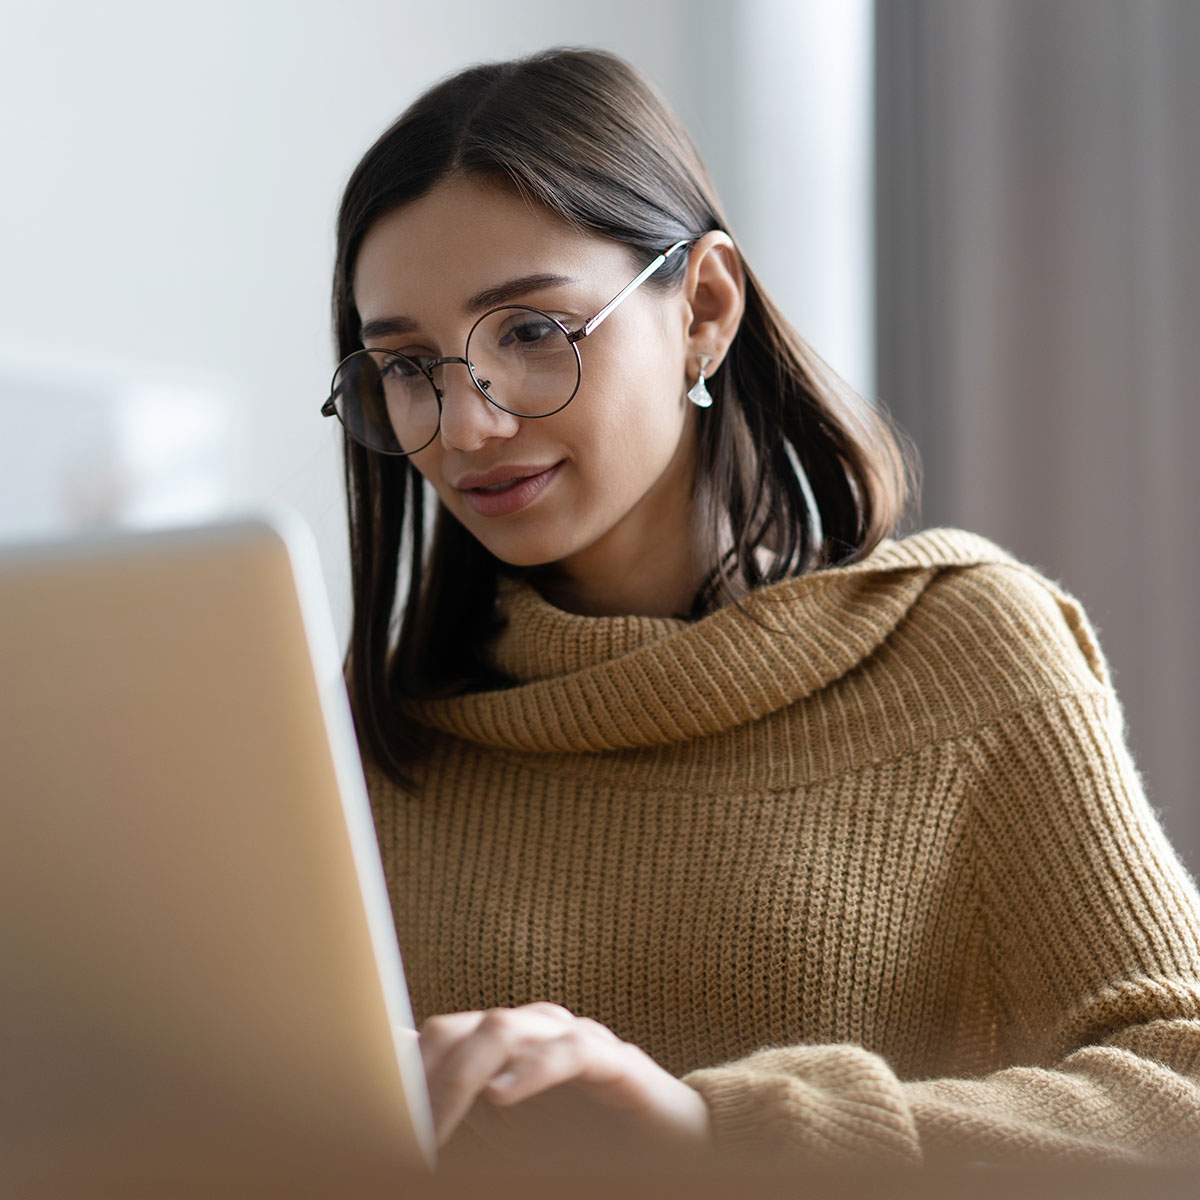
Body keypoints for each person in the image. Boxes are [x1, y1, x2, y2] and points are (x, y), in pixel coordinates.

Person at [322, 47, 1200, 1168]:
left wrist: (714, 1133)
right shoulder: (372, 732)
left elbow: (1184, 1091)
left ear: (704, 307)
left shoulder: (966, 648)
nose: (468, 424)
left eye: (533, 334)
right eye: (408, 368)